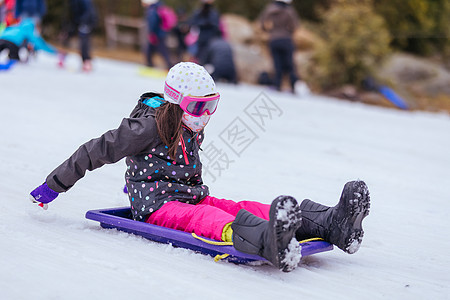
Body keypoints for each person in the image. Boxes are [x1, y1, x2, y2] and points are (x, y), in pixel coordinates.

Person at [29, 62, 371, 272]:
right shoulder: (146, 127)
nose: (205, 115)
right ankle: (264, 238)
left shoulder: (191, 124)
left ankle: (327, 222)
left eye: (211, 107)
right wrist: (54, 184)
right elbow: (95, 150)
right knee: (205, 219)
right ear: (176, 101)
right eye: (198, 107)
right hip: (158, 208)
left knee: (237, 206)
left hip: (190, 195)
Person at [259, 0, 299, 93]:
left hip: (273, 39)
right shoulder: (289, 10)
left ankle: (277, 85)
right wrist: (288, 32)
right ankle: (293, 86)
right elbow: (295, 25)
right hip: (286, 39)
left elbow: (261, 23)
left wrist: (269, 31)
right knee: (290, 64)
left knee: (277, 63)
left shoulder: (270, 8)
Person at [59, 0, 97, 72]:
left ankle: (86, 61)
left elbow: (88, 11)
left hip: (88, 21)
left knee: (84, 39)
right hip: (77, 21)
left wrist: (83, 23)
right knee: (66, 34)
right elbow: (71, 12)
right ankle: (62, 57)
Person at [141, 0, 173, 69]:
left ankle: (169, 66)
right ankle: (150, 64)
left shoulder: (152, 9)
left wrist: (152, 33)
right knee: (153, 50)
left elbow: (153, 22)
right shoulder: (159, 7)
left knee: (161, 50)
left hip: (157, 34)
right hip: (161, 33)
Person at [189, 0, 221, 64]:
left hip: (211, 39)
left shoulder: (214, 14)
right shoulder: (198, 13)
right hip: (201, 39)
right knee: (200, 57)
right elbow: (193, 23)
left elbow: (216, 25)